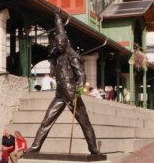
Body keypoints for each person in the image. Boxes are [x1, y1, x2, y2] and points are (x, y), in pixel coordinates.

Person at [28, 13, 101, 155]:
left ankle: (93, 148)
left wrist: (79, 85)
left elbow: (81, 74)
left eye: (61, 44)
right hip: (60, 93)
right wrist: (57, 18)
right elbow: (60, 31)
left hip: (71, 93)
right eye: (57, 44)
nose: (59, 47)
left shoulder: (72, 56)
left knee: (84, 122)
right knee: (47, 120)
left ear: (66, 43)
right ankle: (35, 148)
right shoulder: (59, 52)